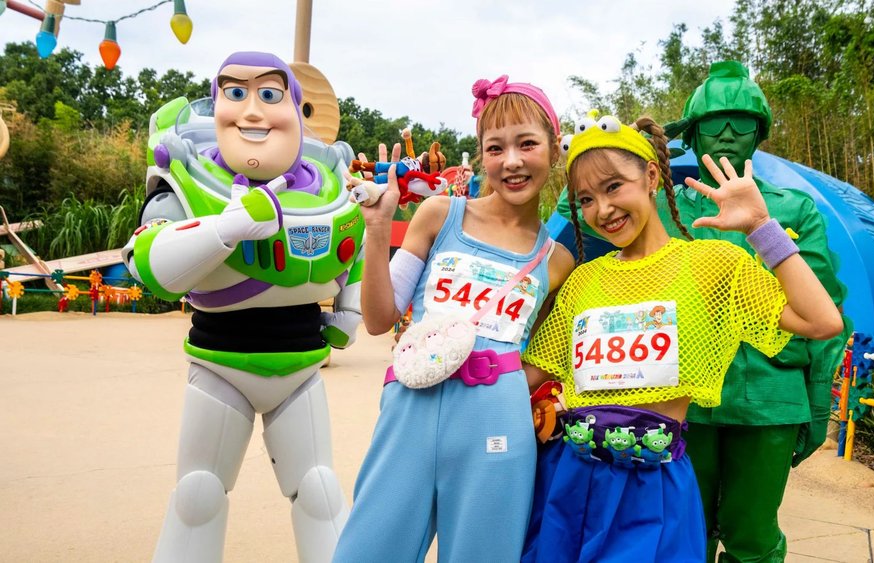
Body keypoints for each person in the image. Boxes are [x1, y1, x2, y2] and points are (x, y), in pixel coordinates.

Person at [519, 113, 843, 562]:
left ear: (651, 175)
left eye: (614, 187)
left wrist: (760, 227)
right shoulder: (583, 281)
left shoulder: (711, 264)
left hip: (655, 488)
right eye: (586, 199)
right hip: (573, 482)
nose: (602, 210)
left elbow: (821, 320)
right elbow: (531, 373)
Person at [122, 52, 363, 562]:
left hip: (300, 367)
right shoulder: (190, 182)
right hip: (220, 366)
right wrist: (226, 228)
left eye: (269, 95)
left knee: (320, 491)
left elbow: (355, 250)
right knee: (199, 493)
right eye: (234, 94)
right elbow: (150, 266)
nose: (251, 111)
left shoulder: (328, 187)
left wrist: (350, 312)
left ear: (296, 109)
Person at [332, 75, 575, 562]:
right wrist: (378, 230)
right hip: (409, 407)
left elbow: (544, 352)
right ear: (481, 155)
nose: (511, 161)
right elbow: (380, 319)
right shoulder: (438, 214)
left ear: (553, 149)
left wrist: (505, 383)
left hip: (497, 423)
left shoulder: (557, 260)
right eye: (495, 147)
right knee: (368, 549)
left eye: (527, 144)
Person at [661, 61, 851, 563]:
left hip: (771, 399)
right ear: (691, 130)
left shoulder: (794, 210)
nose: (726, 134)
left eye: (741, 122)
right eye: (714, 121)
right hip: (684, 401)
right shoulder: (664, 208)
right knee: (683, 533)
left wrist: (816, 404)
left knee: (753, 538)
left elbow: (827, 317)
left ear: (759, 133)